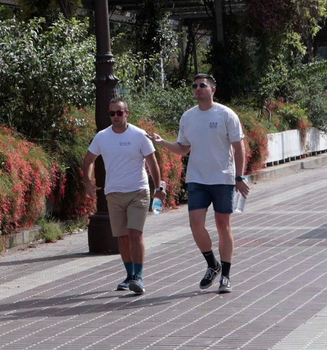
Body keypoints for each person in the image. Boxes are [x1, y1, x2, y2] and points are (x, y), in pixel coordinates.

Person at [164, 73, 249, 294]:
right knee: (195, 224)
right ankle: (212, 264)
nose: (198, 89)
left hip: (222, 178)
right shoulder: (188, 117)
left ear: (213, 90)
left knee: (223, 225)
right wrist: (162, 143)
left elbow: (239, 147)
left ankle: (226, 277)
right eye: (195, 86)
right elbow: (183, 148)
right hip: (197, 179)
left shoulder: (226, 114)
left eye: (202, 85)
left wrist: (239, 178)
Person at [84, 97, 166, 295]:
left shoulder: (139, 135)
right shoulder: (102, 137)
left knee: (135, 233)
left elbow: (152, 163)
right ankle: (129, 275)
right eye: (112, 113)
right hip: (113, 193)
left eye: (119, 112)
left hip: (138, 191)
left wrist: (159, 187)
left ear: (127, 113)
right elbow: (89, 160)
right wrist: (87, 181)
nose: (115, 117)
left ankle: (138, 276)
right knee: (121, 237)